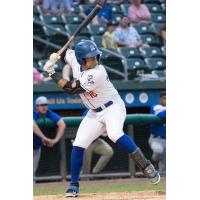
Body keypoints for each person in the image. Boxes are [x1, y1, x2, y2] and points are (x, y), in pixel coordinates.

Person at [43, 39, 160, 197]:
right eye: (90, 58)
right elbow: (67, 53)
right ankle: (73, 186)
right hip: (94, 112)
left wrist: (51, 72)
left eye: (95, 56)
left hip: (113, 107)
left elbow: (71, 89)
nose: (94, 60)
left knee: (114, 133)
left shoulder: (98, 72)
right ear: (80, 59)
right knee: (78, 144)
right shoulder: (75, 59)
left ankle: (145, 166)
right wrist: (57, 55)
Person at [33, 96, 66, 181]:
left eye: (45, 105)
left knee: (32, 172)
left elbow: (62, 124)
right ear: (36, 106)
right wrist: (44, 138)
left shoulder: (48, 113)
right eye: (41, 105)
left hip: (36, 146)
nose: (44, 107)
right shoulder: (33, 112)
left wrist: (56, 140)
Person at [148, 92, 166, 173]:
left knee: (165, 167)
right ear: (160, 99)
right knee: (158, 151)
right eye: (165, 99)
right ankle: (154, 161)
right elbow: (161, 115)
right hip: (156, 139)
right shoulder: (156, 107)